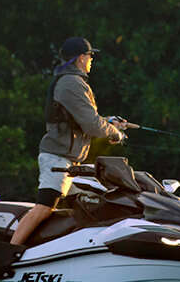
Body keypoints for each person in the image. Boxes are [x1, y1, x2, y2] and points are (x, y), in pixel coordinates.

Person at [10, 36, 126, 246]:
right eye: (91, 56)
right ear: (81, 58)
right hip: (57, 160)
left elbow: (81, 119)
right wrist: (115, 134)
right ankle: (10, 251)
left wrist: (109, 123)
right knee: (44, 207)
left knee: (85, 205)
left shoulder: (70, 81)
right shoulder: (71, 83)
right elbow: (91, 124)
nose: (92, 60)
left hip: (68, 162)